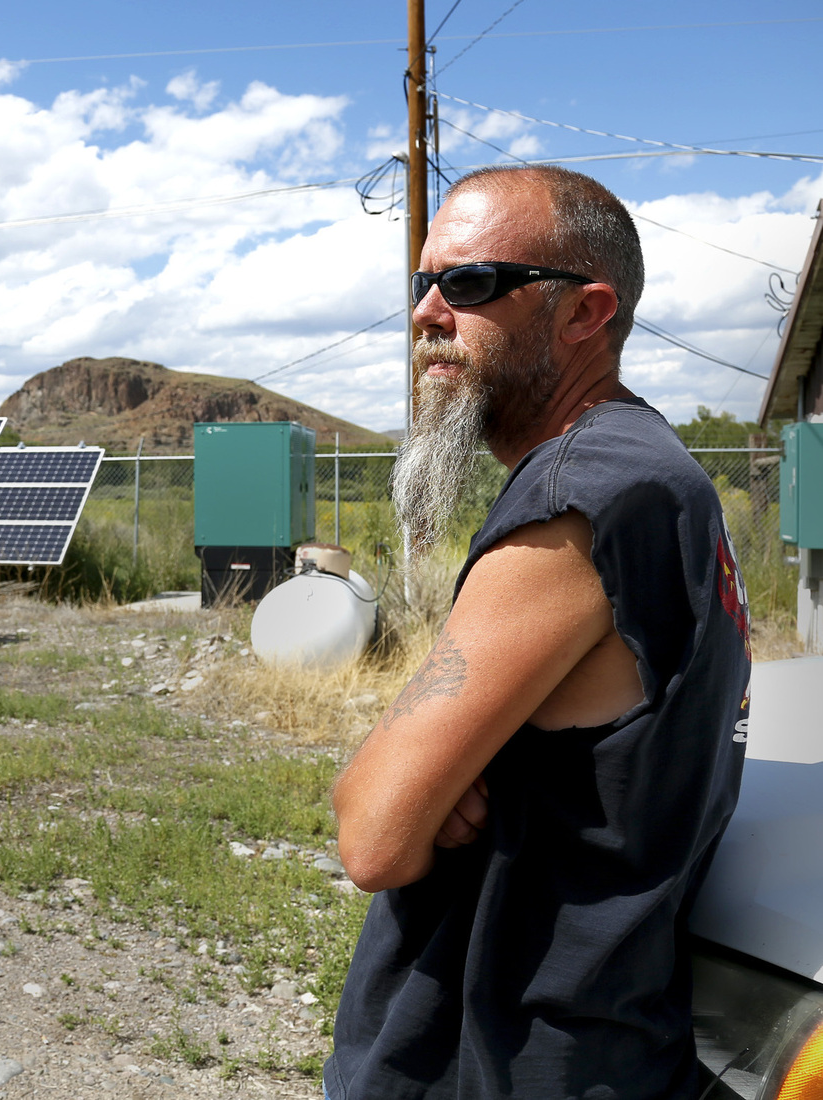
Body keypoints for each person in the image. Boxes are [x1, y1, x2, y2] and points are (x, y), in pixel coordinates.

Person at [323, 166, 751, 1100]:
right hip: (600, 1044)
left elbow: (375, 831)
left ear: (585, 311)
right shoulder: (656, 469)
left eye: (471, 283)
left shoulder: (576, 498)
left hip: (492, 1059)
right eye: (422, 282)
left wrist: (427, 781)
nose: (427, 312)